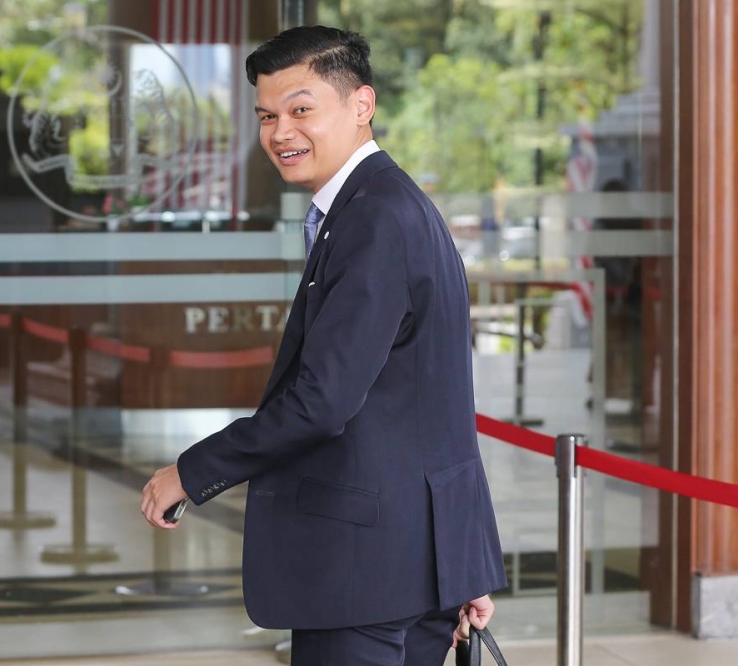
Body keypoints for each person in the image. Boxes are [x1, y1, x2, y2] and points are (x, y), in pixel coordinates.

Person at [141, 25, 507, 665]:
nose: (281, 132)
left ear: (361, 106)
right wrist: (462, 561)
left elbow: (322, 401)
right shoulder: (393, 204)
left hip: (365, 573)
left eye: (301, 109)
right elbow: (429, 401)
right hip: (416, 562)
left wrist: (191, 472)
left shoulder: (372, 219)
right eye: (267, 116)